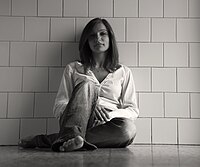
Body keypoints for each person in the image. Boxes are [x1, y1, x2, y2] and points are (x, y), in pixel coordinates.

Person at [18, 18, 139, 152]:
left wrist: (110, 114)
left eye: (102, 34)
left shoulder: (123, 72)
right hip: (76, 121)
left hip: (108, 125)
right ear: (86, 41)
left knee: (128, 130)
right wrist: (88, 106)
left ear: (110, 38)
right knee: (87, 85)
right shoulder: (73, 68)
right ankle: (72, 136)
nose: (97, 38)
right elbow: (59, 105)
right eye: (92, 35)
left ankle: (57, 140)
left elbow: (132, 110)